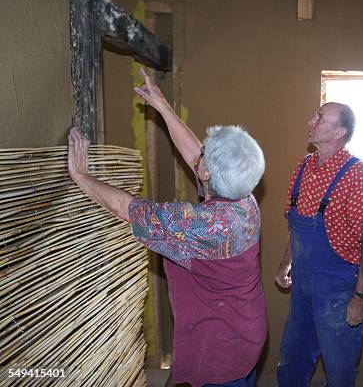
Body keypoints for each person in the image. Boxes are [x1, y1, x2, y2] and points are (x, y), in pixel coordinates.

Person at [67, 69, 267, 387]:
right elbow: (197, 158)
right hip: (244, 329)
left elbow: (126, 209)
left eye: (204, 158)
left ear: (208, 176)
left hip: (221, 346)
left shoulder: (201, 227)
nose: (198, 155)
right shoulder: (243, 196)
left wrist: (81, 177)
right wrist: (162, 105)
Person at [274, 102, 363, 386]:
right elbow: (295, 224)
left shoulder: (358, 176)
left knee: (339, 369)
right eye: (315, 115)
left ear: (340, 132)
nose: (311, 120)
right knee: (291, 359)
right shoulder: (303, 167)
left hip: (338, 290)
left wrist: (360, 297)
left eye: (320, 118)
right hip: (302, 286)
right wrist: (286, 263)